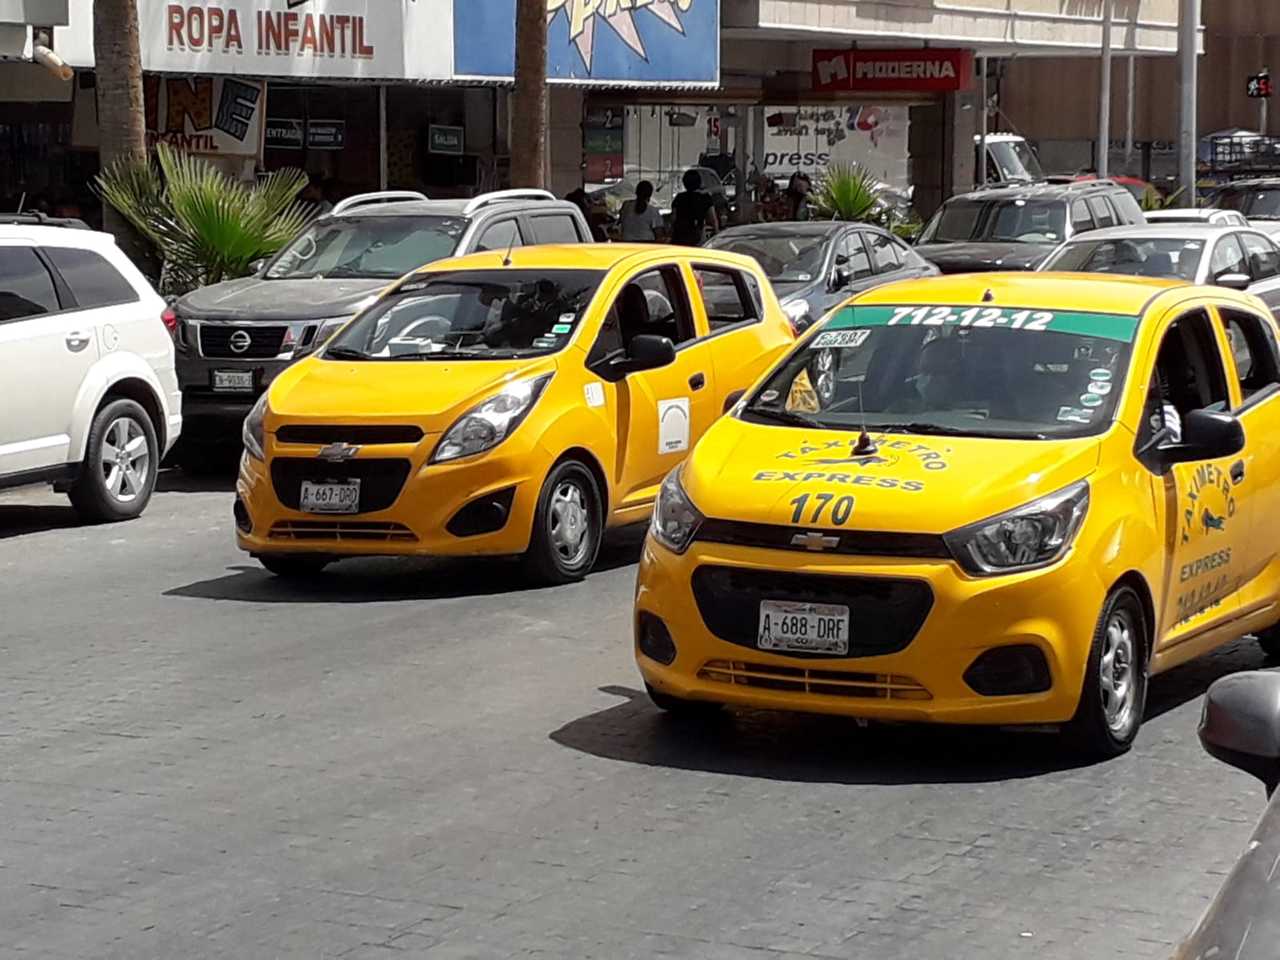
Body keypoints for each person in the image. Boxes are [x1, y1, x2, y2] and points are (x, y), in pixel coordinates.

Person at [669, 169, 719, 246]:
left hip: (679, 236)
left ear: (684, 183)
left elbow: (673, 218)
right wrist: (716, 233)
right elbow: (713, 219)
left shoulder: (679, 197)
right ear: (699, 182)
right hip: (697, 235)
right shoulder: (705, 198)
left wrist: (671, 233)